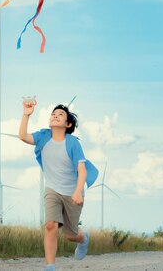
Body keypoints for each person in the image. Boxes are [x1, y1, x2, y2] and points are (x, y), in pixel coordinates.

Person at [18, 98, 99, 271]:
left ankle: (83, 239)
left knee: (70, 235)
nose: (55, 116)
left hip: (72, 192)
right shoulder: (43, 136)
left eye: (60, 114)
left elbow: (82, 170)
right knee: (50, 225)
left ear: (68, 124)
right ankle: (50, 266)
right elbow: (23, 136)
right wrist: (26, 115)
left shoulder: (73, 143)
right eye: (53, 114)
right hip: (52, 189)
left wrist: (78, 192)